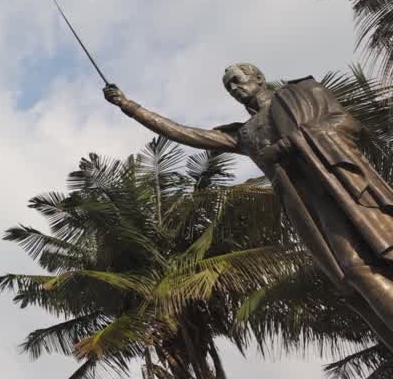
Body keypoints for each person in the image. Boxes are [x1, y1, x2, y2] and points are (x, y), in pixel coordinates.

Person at [104, 63, 393, 350]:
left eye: (237, 80)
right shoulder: (244, 133)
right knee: (353, 274)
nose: (234, 88)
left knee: (369, 263)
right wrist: (130, 107)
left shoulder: (303, 92)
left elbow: (345, 122)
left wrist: (287, 145)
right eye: (229, 87)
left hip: (344, 185)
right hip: (307, 207)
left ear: (258, 78)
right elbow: (186, 134)